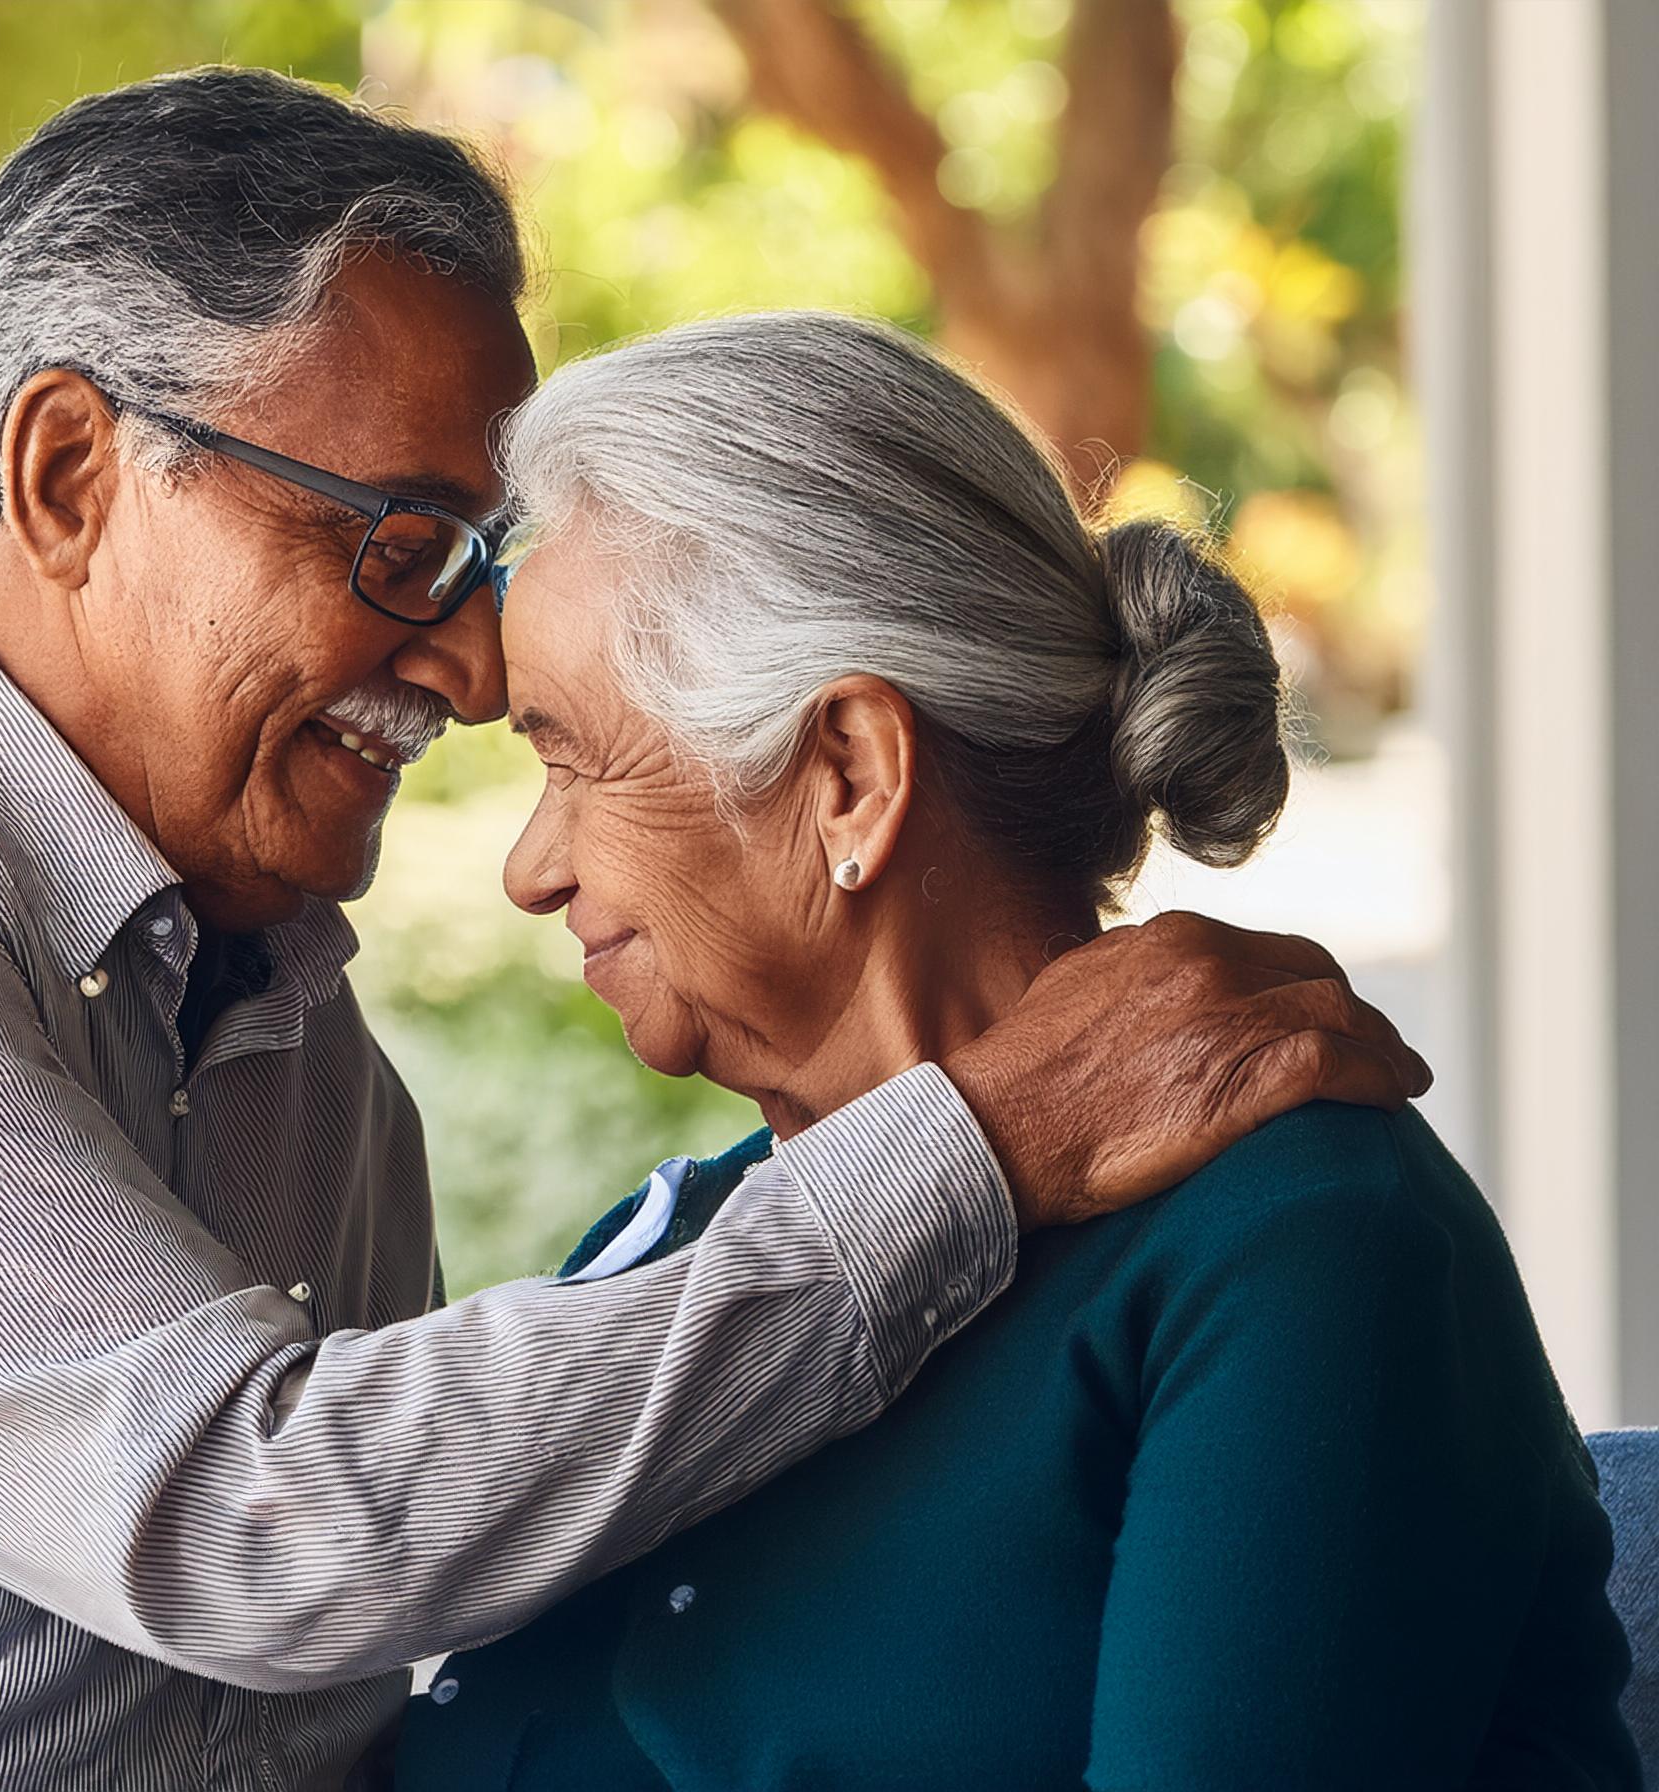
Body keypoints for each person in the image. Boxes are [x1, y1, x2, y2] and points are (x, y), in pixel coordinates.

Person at [0, 74, 1427, 1791]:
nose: (458, 656)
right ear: (72, 470)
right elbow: (274, 1527)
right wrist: (978, 1139)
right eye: (402, 544)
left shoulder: (286, 1018)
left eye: (486, 566)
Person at [394, 310, 1639, 1790]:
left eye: (572, 755)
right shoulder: (692, 1260)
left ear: (848, 775)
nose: (531, 867)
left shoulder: (1301, 1245)